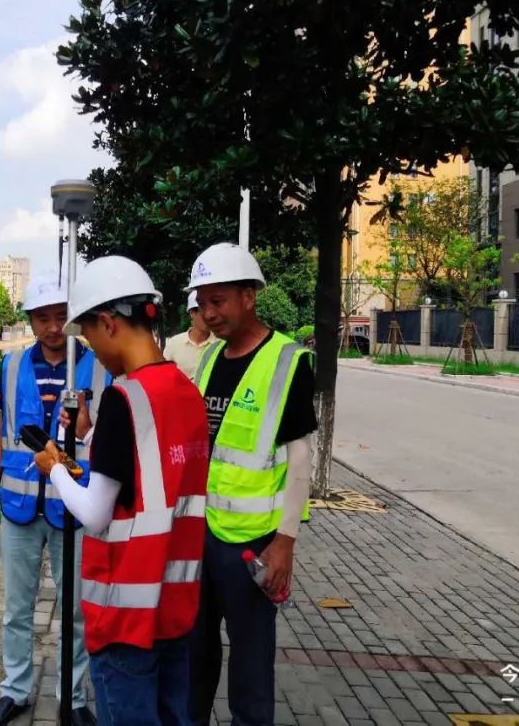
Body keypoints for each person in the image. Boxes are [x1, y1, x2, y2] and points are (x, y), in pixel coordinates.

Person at [32, 256, 210, 726]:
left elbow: (95, 512)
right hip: (174, 606)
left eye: (90, 336)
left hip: (125, 611)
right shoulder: (186, 391)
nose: (93, 350)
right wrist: (92, 436)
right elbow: (152, 467)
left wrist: (55, 470)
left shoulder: (123, 397)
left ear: (109, 323)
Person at [184, 243, 317, 726]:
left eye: (218, 301)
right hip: (202, 533)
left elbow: (300, 459)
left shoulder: (287, 361)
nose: (208, 313)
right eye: (202, 303)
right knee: (194, 656)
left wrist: (285, 542)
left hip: (253, 544)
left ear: (248, 296)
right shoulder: (211, 358)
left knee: (251, 665)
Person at [0, 274, 109, 726]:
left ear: (73, 319)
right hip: (18, 506)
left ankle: (70, 697)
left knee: (75, 611)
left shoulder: (98, 368)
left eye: (61, 317)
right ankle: (15, 691)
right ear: (31, 321)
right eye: (43, 318)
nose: (53, 327)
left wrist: (86, 424)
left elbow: (107, 438)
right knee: (17, 608)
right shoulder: (12, 365)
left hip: (74, 507)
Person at [163, 290, 218, 379]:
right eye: (203, 311)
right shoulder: (174, 344)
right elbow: (164, 376)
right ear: (192, 313)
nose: (209, 317)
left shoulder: (220, 343)